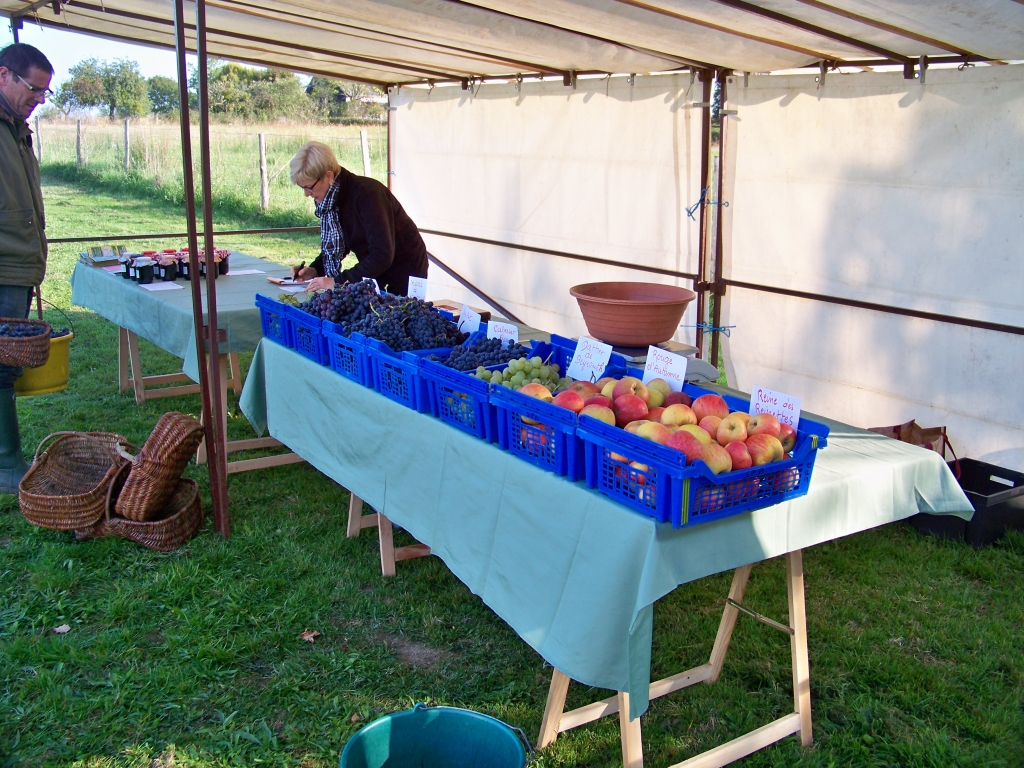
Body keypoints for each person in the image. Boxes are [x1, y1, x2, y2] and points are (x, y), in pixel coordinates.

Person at [0, 43, 52, 494]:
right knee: (1, 365)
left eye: (44, 93)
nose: (38, 99)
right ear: (4, 75)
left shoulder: (16, 129)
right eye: (33, 89)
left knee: (6, 364)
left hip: (16, 264)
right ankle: (6, 465)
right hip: (4, 264)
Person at [288, 141, 427, 296]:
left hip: (405, 270)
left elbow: (382, 254)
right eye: (303, 187)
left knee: (397, 311)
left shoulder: (367, 195)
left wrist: (338, 281)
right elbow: (339, 242)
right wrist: (315, 269)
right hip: (377, 267)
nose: (306, 194)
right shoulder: (333, 198)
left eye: (309, 187)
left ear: (329, 176)